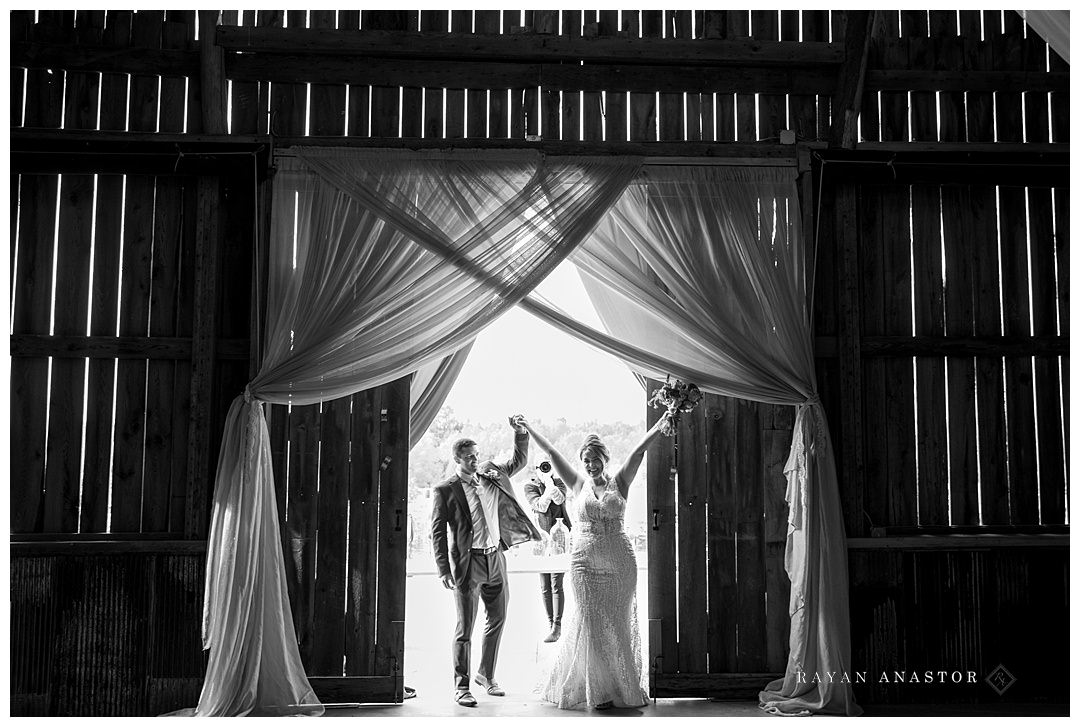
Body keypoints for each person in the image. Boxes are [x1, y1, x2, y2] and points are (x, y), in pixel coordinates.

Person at [519, 412, 673, 711]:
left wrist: (663, 421)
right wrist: (528, 428)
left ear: (604, 457)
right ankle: (596, 690)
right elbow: (551, 452)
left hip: (619, 562)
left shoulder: (621, 482)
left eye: (594, 459)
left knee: (616, 624)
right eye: (585, 460)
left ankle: (620, 686)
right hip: (584, 563)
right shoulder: (577, 484)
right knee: (590, 622)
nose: (590, 465)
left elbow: (639, 450)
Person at [430, 415, 542, 707]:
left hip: (496, 559)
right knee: (464, 628)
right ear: (457, 459)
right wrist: (443, 569)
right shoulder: (445, 490)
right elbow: (437, 533)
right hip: (469, 565)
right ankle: (461, 686)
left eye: (477, 456)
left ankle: (486, 675)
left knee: (499, 618)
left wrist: (520, 433)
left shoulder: (491, 474)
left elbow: (518, 461)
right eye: (469, 458)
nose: (475, 461)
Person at [523, 464, 572, 643]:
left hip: (560, 537)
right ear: (535, 468)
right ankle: (551, 624)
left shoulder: (559, 482)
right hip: (541, 540)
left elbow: (559, 500)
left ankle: (557, 626)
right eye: (541, 466)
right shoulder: (530, 486)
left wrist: (550, 481)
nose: (545, 468)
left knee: (556, 583)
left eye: (548, 465)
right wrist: (543, 483)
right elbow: (541, 506)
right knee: (544, 585)